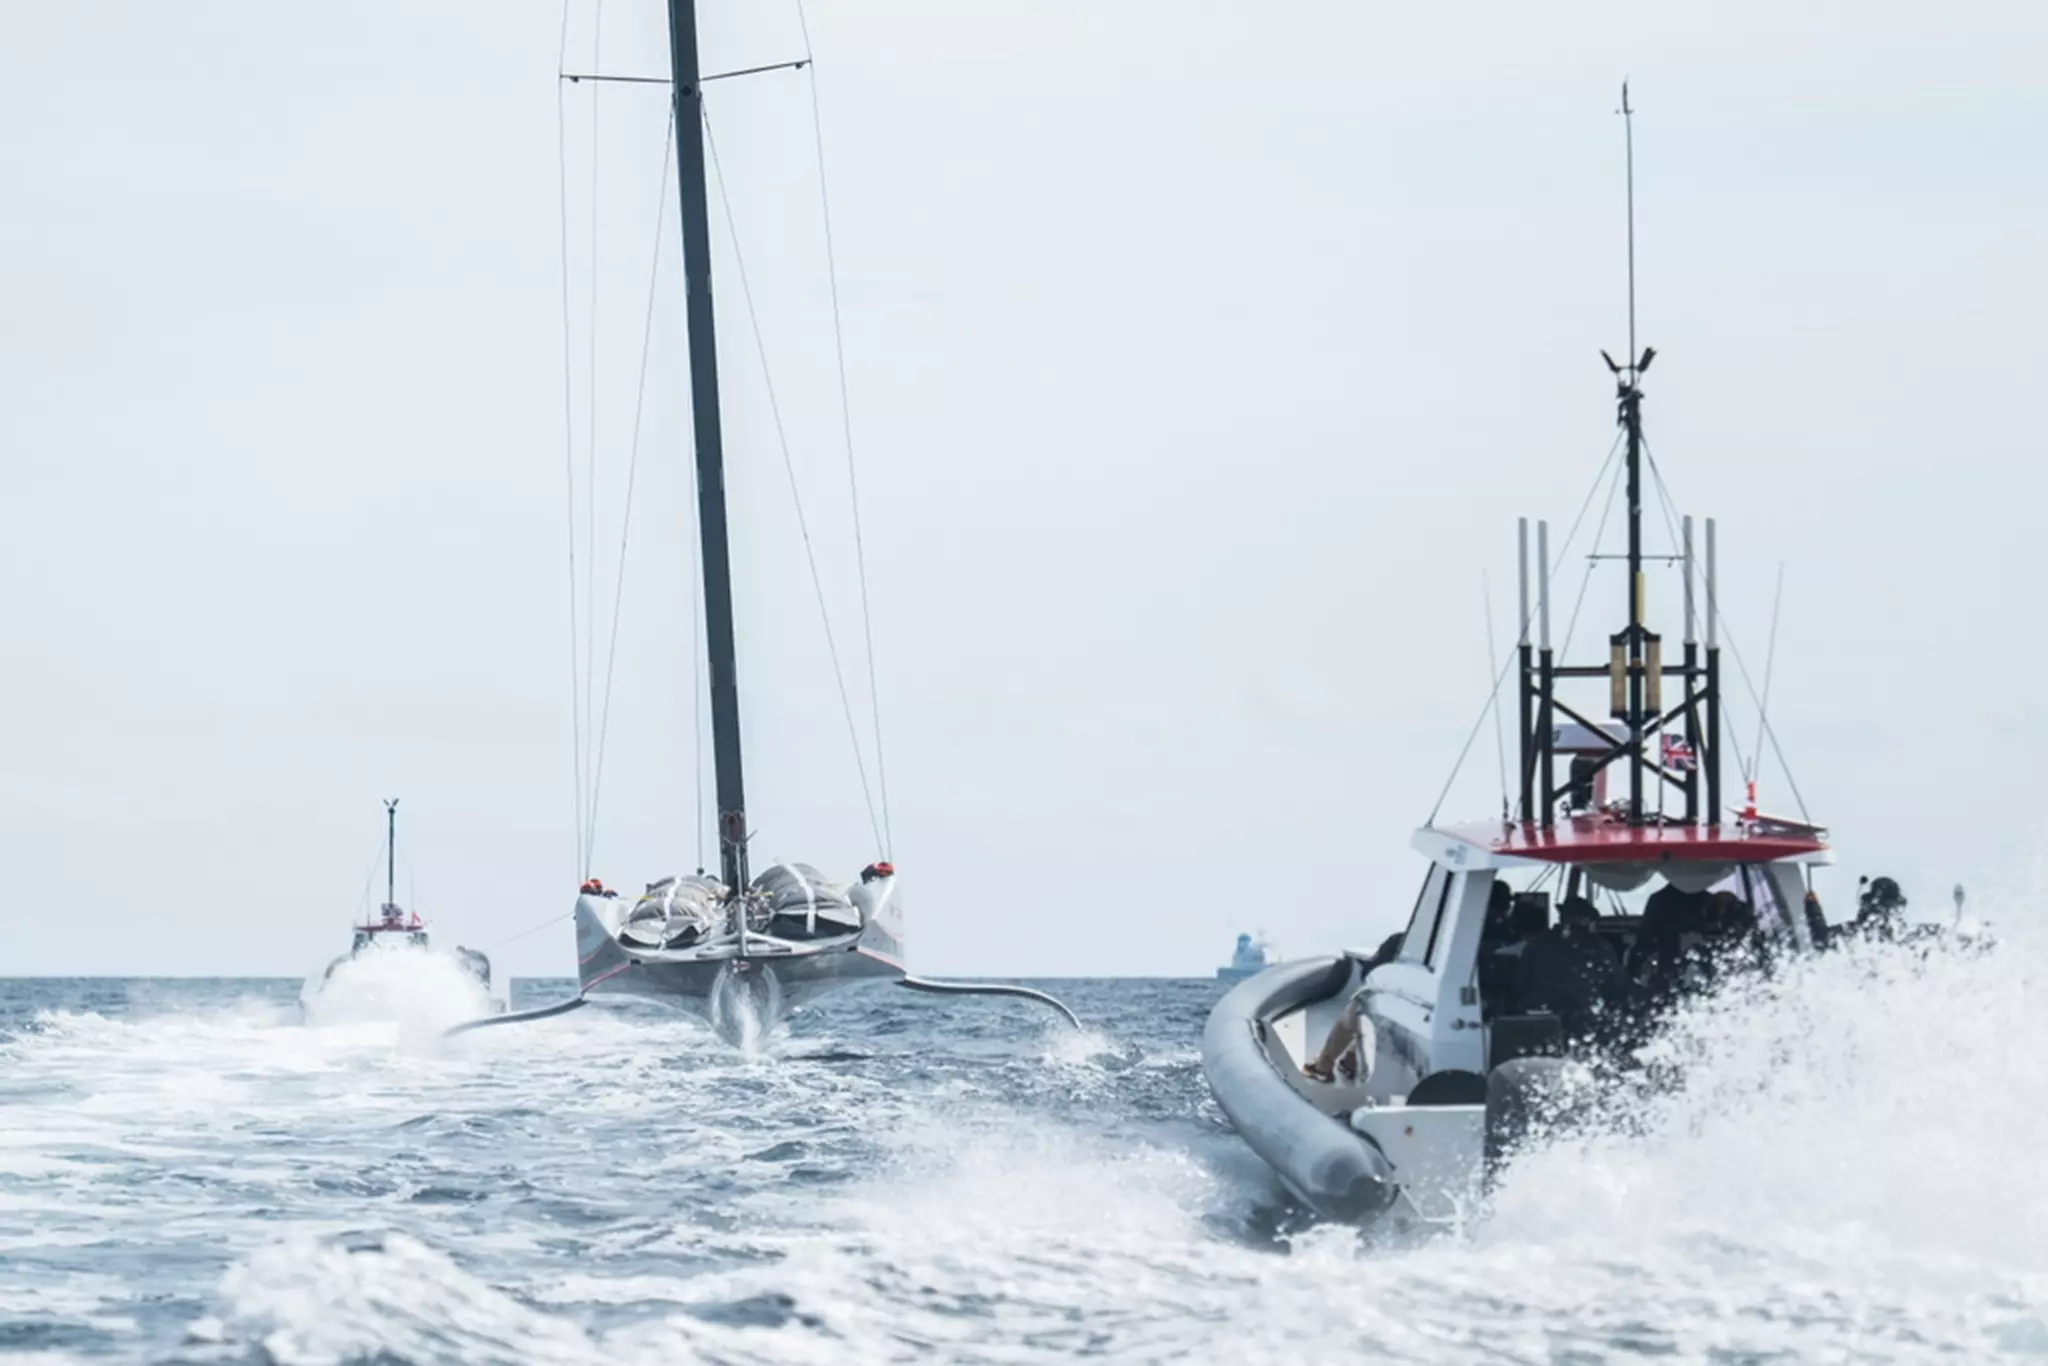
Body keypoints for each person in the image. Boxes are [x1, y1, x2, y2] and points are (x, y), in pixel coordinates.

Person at [1302, 929, 1406, 1083]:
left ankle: (1323, 1066)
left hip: (1401, 1017)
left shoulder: (1401, 941)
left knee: (1354, 1009)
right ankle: (1351, 1060)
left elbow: (1372, 973)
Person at [1515, 895, 1620, 1043]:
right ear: (1588, 921)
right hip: (1586, 1022)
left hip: (1542, 1020)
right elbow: (1615, 987)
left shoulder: (1536, 945)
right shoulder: (1601, 947)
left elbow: (1521, 984)